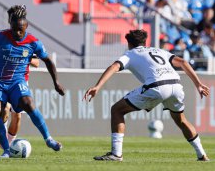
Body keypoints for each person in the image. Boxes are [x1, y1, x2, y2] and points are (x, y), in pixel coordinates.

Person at [83, 29, 210, 161]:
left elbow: (115, 66)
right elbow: (183, 62)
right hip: (176, 85)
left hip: (157, 86)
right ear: (144, 41)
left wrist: (97, 86)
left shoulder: (130, 53)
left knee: (117, 110)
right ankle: (202, 155)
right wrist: (198, 84)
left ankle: (116, 154)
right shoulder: (159, 51)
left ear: (129, 43)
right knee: (181, 120)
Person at [0, 5, 65, 158]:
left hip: (17, 82)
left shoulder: (33, 42)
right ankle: (6, 150)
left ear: (26, 26)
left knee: (28, 103)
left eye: (21, 30)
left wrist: (56, 83)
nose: (17, 33)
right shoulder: (0, 36)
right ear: (10, 25)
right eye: (14, 29)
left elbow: (48, 61)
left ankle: (48, 139)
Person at [0, 48, 40, 146]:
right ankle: (4, 142)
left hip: (20, 83)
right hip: (3, 81)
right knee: (5, 109)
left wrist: (22, 57)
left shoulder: (29, 44)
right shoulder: (4, 39)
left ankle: (10, 143)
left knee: (17, 116)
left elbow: (37, 63)